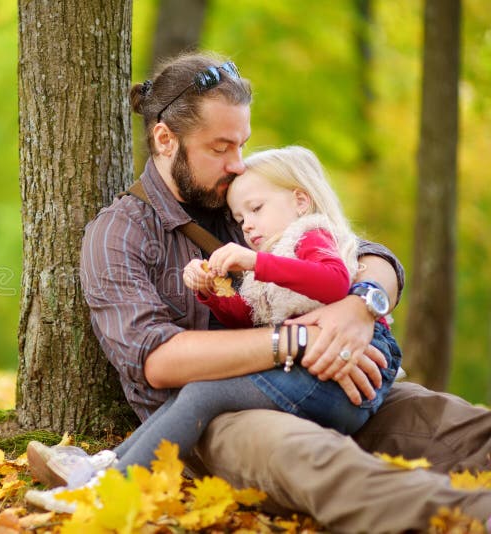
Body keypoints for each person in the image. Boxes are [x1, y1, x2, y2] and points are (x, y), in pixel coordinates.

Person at [27, 51, 491, 531]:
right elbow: (157, 361)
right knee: (323, 464)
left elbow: (366, 253)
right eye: (220, 148)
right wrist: (299, 341)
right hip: (218, 420)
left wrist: (359, 306)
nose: (237, 164)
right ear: (165, 140)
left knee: (462, 426)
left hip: (336, 377)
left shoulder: (244, 192)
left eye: (242, 145)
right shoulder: (120, 233)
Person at [27, 145, 404, 513]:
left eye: (256, 210)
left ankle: (109, 491)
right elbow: (246, 319)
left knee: (204, 393)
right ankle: (108, 466)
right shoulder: (273, 251)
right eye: (241, 219)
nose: (248, 225)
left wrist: (256, 262)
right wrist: (213, 295)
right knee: (197, 391)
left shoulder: (310, 235)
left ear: (301, 201)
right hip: (314, 372)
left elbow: (334, 283)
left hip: (345, 377)